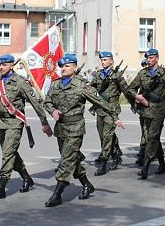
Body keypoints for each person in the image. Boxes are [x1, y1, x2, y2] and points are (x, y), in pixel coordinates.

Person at [43, 53, 124, 207]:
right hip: (60, 128)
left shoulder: (82, 85)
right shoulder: (55, 84)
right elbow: (47, 102)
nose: (63, 69)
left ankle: (58, 193)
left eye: (67, 66)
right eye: (62, 66)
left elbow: (100, 101)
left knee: (66, 161)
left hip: (75, 129)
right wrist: (52, 110)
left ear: (74, 67)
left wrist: (115, 116)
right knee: (71, 159)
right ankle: (87, 184)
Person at [0, 54, 53, 200]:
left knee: (7, 154)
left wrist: (44, 122)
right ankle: (27, 178)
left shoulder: (21, 82)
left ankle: (1, 186)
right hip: (1, 122)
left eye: (4, 64)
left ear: (11, 65)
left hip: (15, 122)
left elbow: (35, 103)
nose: (1, 67)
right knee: (11, 153)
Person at [128, 48, 165, 179]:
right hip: (145, 110)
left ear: (157, 58)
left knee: (152, 137)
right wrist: (138, 97)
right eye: (147, 58)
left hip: (158, 110)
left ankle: (146, 166)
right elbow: (130, 89)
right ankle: (162, 164)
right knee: (152, 137)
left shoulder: (164, 73)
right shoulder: (142, 73)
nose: (148, 60)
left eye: (151, 58)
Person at [89, 51, 130, 176]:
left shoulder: (117, 75)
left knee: (107, 136)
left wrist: (136, 101)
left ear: (111, 61)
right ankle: (116, 152)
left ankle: (104, 163)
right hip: (100, 108)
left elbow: (126, 90)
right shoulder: (99, 74)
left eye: (105, 60)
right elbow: (92, 88)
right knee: (103, 135)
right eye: (102, 60)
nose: (103, 62)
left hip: (111, 109)